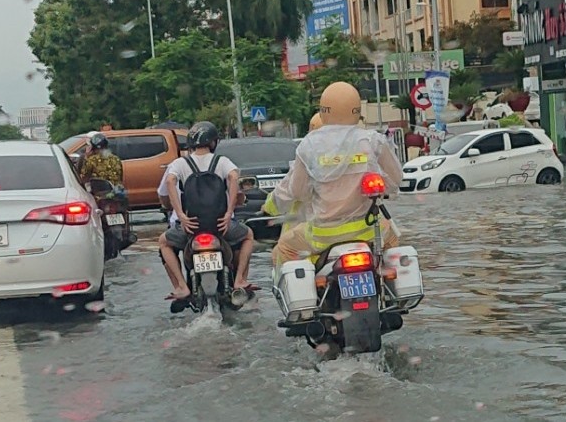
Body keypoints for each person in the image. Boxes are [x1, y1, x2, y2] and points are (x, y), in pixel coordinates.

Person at [263, 82, 405, 270]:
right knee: (392, 239)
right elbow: (395, 179)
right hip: (368, 230)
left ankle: (307, 298)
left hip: (322, 235)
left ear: (323, 110)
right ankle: (388, 292)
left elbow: (297, 192)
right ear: (357, 110)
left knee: (285, 248)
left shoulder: (309, 145)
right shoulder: (372, 140)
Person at [158, 121, 255, 303]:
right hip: (220, 226)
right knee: (248, 235)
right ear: (213, 142)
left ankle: (181, 286)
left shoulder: (180, 163)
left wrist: (181, 215)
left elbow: (170, 181)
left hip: (191, 228)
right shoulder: (222, 162)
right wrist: (228, 213)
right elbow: (234, 177)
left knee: (164, 242)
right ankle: (240, 279)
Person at [77, 133, 125, 201]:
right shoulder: (116, 159)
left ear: (92, 147)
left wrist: (86, 156)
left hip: (99, 195)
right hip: (117, 193)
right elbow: (120, 177)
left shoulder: (91, 160)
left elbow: (83, 177)